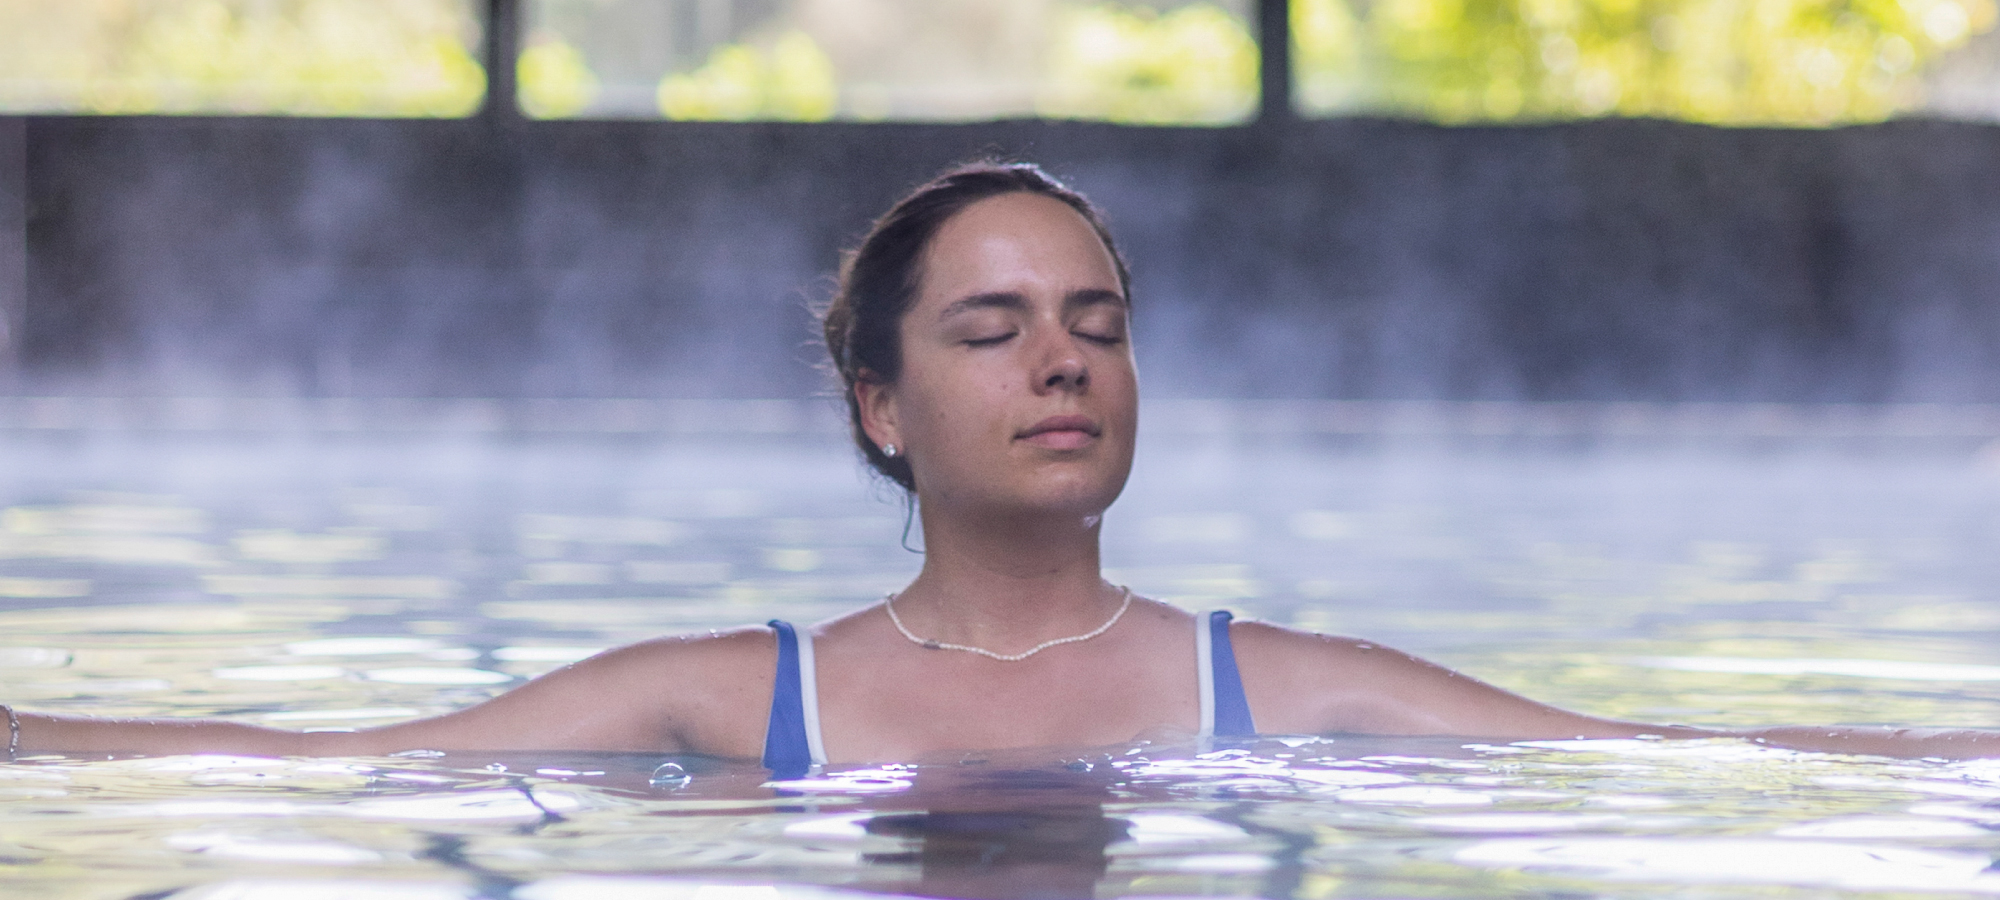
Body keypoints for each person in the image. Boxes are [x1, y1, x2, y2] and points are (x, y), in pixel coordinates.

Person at [5, 162, 1996, 767]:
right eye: (992, 330)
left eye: (1096, 323)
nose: (1061, 361)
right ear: (879, 405)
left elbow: (1668, 761)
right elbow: (333, 764)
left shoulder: (1277, 686)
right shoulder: (736, 697)